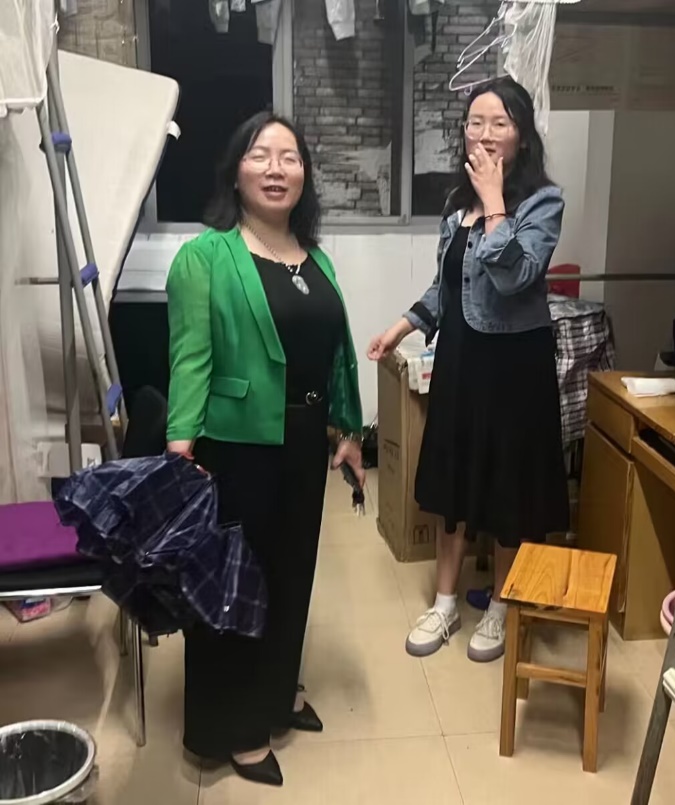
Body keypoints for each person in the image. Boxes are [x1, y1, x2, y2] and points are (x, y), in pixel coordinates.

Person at [166, 111, 364, 787]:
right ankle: (235, 727)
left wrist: (346, 433)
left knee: (291, 576)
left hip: (303, 445)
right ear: (236, 172)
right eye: (261, 155)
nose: (276, 168)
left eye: (290, 157)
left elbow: (331, 358)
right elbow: (190, 358)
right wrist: (180, 447)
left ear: (305, 174)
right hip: (234, 448)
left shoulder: (315, 258)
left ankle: (277, 695)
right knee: (233, 588)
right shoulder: (206, 256)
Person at [368, 77, 569, 665]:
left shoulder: (542, 203)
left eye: (499, 123)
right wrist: (401, 327)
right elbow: (446, 287)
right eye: (475, 122)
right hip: (460, 360)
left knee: (507, 488)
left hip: (514, 368)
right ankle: (445, 603)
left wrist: (496, 201)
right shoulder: (457, 206)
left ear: (521, 136)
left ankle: (502, 605)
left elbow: (516, 276)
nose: (484, 133)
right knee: (453, 483)